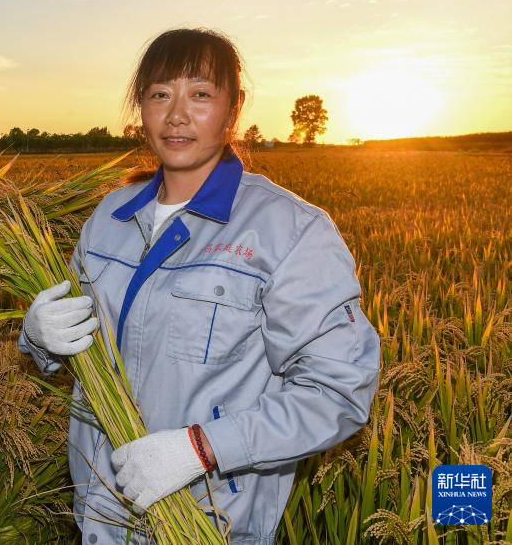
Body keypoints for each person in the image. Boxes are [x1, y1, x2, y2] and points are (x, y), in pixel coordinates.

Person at [19, 29, 381, 544]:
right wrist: (38, 337)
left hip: (210, 522)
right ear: (140, 108)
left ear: (234, 108)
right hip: (98, 516)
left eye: (201, 94)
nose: (177, 115)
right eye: (160, 94)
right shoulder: (109, 219)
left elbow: (338, 392)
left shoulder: (288, 231)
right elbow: (74, 347)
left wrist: (202, 448)